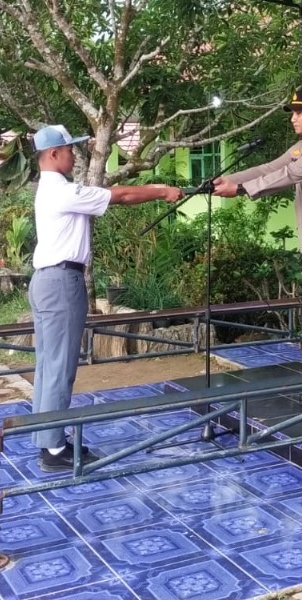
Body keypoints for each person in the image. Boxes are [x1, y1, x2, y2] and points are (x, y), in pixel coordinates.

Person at [28, 124, 183, 472]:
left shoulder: (52, 189)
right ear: (53, 154)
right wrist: (162, 191)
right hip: (61, 282)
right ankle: (53, 450)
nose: (73, 155)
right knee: (59, 367)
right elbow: (122, 196)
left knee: (47, 364)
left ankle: (47, 439)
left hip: (46, 281)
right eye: (69, 149)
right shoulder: (61, 190)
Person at [213, 88, 302, 410]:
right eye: (292, 112)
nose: (293, 118)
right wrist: (225, 179)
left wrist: (239, 189)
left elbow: (290, 174)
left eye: (298, 112)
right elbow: (269, 167)